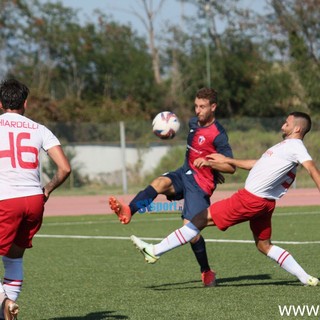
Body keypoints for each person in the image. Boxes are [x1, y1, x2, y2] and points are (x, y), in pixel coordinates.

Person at [131, 111, 320, 287]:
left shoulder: (296, 147)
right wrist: (227, 160)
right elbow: (256, 164)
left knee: (199, 219)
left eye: (286, 123)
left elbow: (311, 169)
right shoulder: (284, 147)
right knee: (264, 246)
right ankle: (306, 278)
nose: (282, 126)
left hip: (249, 199)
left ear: (297, 129)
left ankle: (154, 251)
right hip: (265, 204)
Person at [109, 87, 235, 286]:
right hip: (184, 173)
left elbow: (230, 166)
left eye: (202, 107)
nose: (198, 111)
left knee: (190, 232)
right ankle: (129, 209)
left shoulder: (218, 134)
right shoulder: (194, 123)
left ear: (213, 107)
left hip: (200, 186)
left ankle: (206, 271)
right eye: (196, 106)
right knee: (159, 183)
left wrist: (210, 163)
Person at [0, 79, 71, 319]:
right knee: (13, 258)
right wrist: (48, 189)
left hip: (5, 200)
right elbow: (64, 169)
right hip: (33, 200)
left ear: (0, 103)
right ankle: (6, 310)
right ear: (25, 103)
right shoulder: (39, 129)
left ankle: (4, 303)